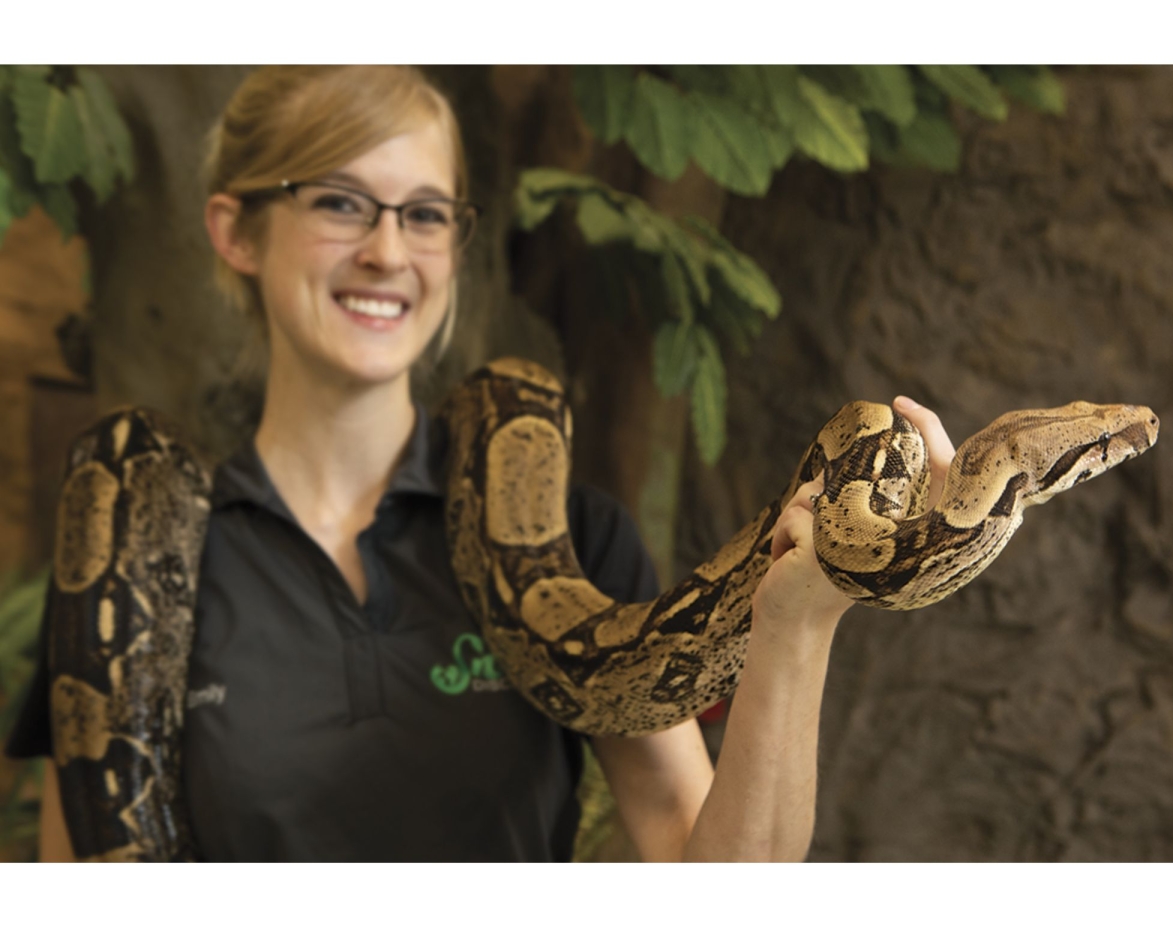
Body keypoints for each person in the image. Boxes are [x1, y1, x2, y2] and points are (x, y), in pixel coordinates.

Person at [6, 65, 955, 862]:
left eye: (424, 214)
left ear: (456, 246)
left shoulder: (578, 540)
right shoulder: (130, 547)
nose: (387, 251)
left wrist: (797, 618)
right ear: (236, 229)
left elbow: (717, 884)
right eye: (341, 202)